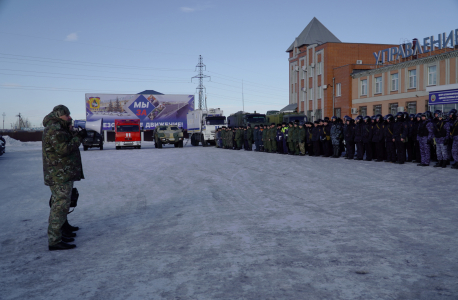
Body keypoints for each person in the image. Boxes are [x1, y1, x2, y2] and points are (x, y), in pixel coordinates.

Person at [42, 105, 86, 251]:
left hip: (62, 172)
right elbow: (64, 149)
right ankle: (55, 240)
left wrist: (72, 133)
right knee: (59, 206)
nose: (70, 118)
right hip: (59, 174)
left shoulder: (59, 128)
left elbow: (64, 144)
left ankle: (62, 231)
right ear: (59, 115)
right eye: (67, 116)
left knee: (63, 203)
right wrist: (78, 138)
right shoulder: (54, 129)